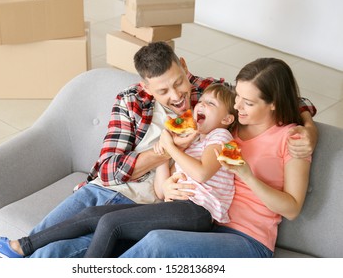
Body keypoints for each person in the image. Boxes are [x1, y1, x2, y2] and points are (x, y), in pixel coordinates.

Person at [0, 42, 317, 258]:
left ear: (184, 66)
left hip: (211, 223)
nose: (178, 95)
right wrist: (166, 160)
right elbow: (108, 169)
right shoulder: (136, 103)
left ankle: (22, 253)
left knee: (136, 237)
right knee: (91, 209)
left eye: (180, 81)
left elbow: (272, 98)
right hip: (149, 196)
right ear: (146, 87)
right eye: (164, 90)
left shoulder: (228, 108)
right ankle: (19, 252)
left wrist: (307, 123)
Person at [0, 83, 238, 258]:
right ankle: (19, 247)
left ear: (227, 119)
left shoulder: (221, 138)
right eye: (201, 102)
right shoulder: (194, 140)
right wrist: (167, 172)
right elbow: (160, 186)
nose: (200, 106)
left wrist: (168, 144)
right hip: (178, 207)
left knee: (109, 223)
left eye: (211, 105)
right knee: (92, 214)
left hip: (197, 213)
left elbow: (203, 173)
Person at [119, 57, 313, 258]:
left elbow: (292, 209)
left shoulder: (293, 139)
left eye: (247, 103)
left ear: (274, 103)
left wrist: (248, 176)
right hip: (203, 223)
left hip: (248, 240)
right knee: (128, 235)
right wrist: (167, 183)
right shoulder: (230, 125)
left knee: (157, 243)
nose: (237, 106)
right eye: (237, 96)